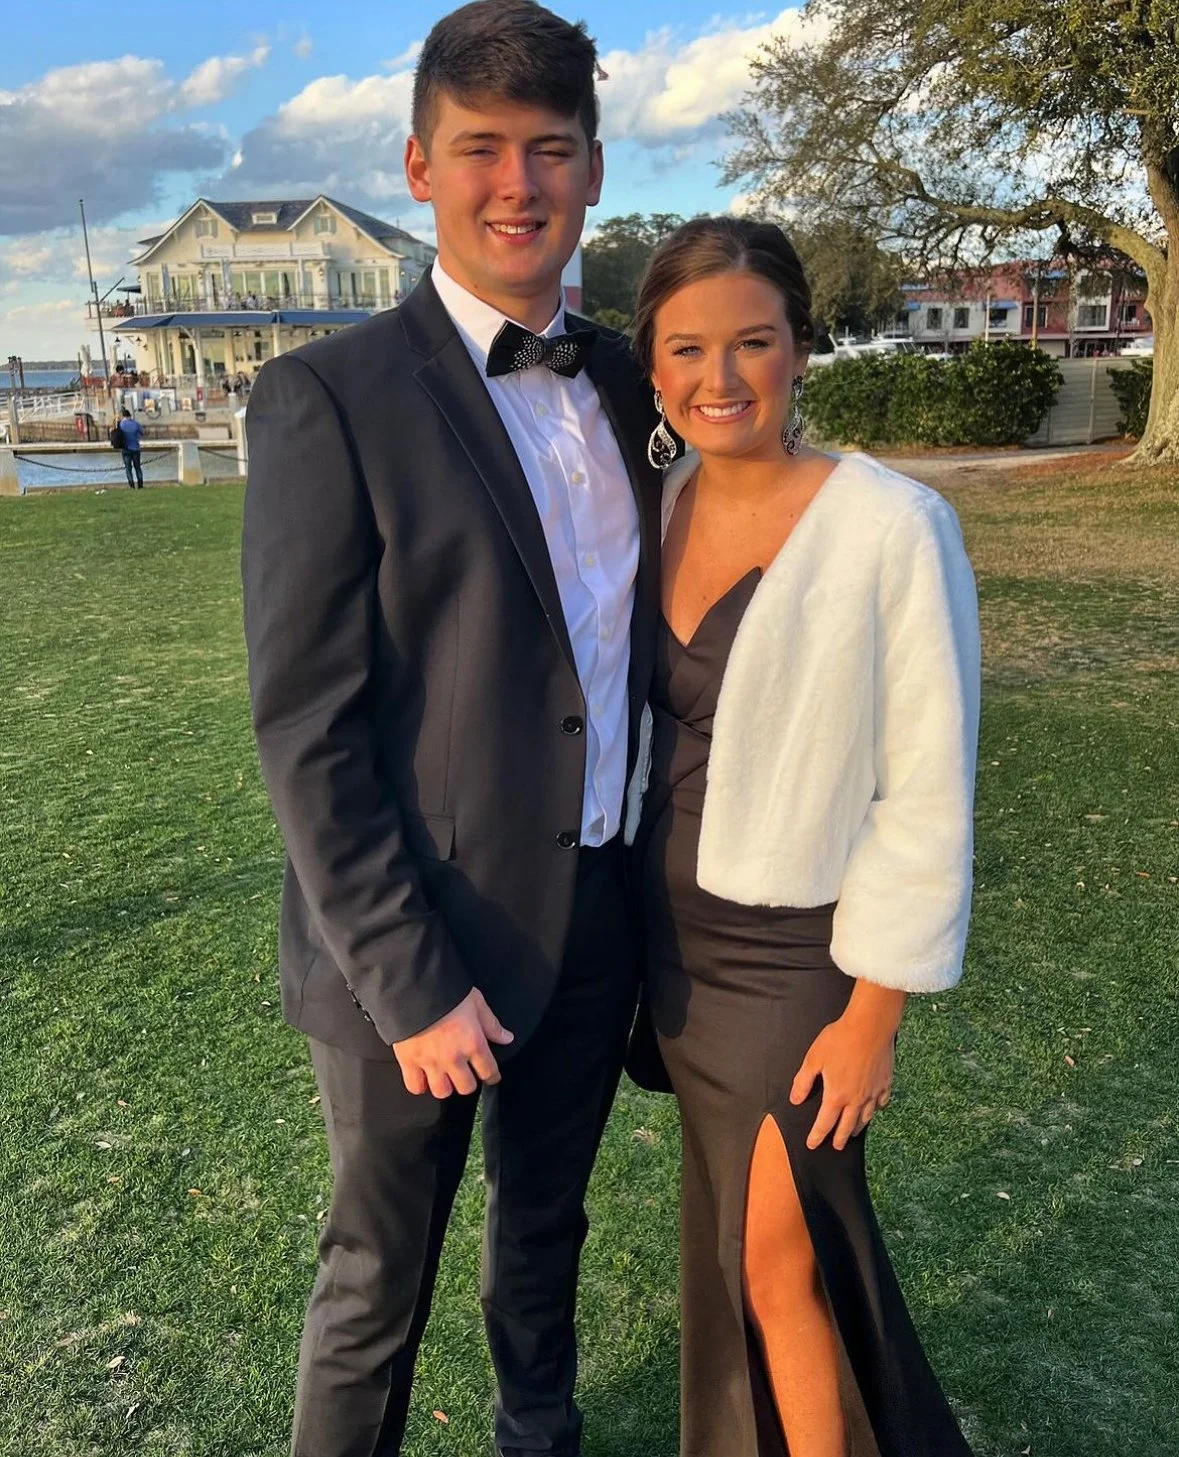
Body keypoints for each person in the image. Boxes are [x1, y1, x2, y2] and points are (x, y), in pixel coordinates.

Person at [240, 4, 661, 1455]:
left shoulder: (626, 383)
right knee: (374, 1282)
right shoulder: (326, 400)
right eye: (479, 148)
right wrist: (412, 982)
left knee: (547, 1230)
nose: (516, 184)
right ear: (421, 167)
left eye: (548, 149)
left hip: (595, 902)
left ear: (593, 171)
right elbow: (309, 728)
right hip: (407, 946)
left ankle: (535, 1432)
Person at [625, 216, 980, 1457]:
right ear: (654, 370)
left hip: (799, 961)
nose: (721, 379)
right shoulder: (653, 501)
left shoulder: (890, 524)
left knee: (779, 1261)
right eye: (688, 349)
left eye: (753, 343)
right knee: (742, 1255)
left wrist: (876, 1005)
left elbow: (929, 783)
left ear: (800, 351)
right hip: (672, 954)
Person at [117, 408, 144, 488]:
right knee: (137, 467)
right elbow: (142, 432)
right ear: (130, 415)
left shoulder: (121, 425)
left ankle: (131, 484)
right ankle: (140, 484)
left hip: (125, 449)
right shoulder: (135, 424)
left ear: (123, 416)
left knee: (128, 468)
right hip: (135, 448)